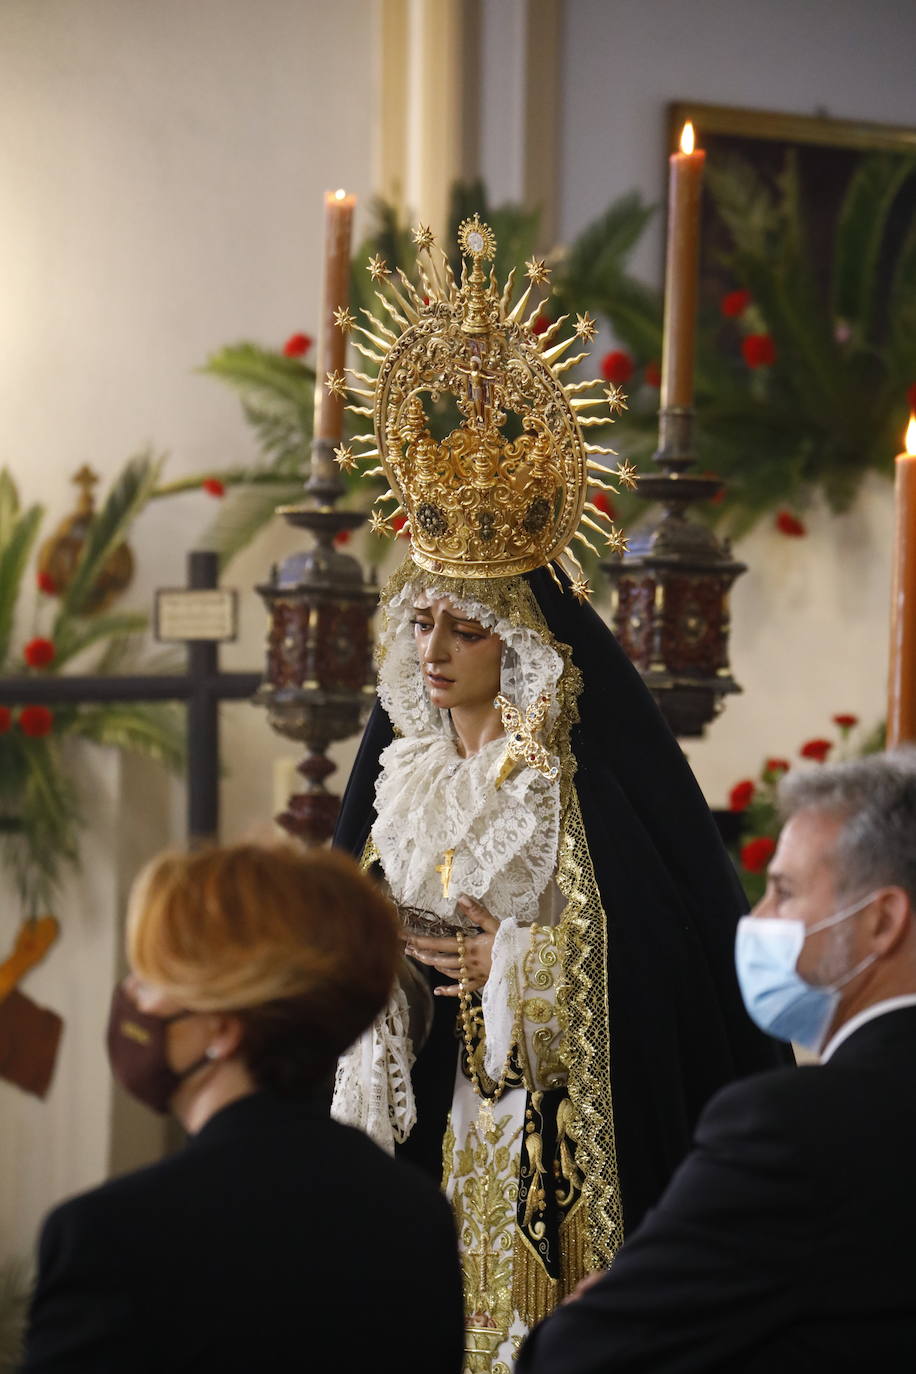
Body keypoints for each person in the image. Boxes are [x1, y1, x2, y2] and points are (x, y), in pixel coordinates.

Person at [328, 215, 785, 1370]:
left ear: (517, 639)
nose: (436, 649)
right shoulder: (404, 775)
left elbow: (674, 958)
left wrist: (515, 971)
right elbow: (340, 920)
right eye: (421, 620)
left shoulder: (577, 786)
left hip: (546, 1145)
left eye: (466, 625)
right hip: (422, 1115)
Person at [515, 748, 916, 1373]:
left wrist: (602, 1309)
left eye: (782, 893)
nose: (755, 919)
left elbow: (577, 1358)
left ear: (883, 921)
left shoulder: (794, 1130)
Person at [23, 842, 464, 1374]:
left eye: (153, 979)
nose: (131, 996)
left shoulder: (108, 1235)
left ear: (223, 1032)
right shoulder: (418, 1215)